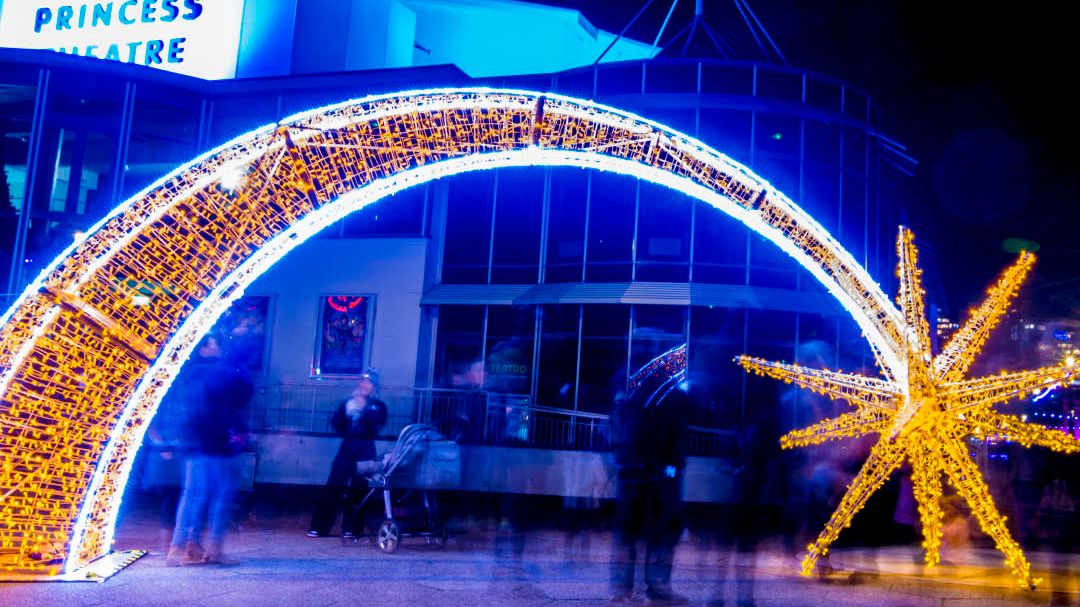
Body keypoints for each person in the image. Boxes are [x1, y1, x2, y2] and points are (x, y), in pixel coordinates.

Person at [166, 333, 255, 566]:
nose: (218, 349)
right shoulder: (218, 373)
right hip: (214, 442)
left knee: (193, 494)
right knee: (220, 495)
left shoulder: (188, 373)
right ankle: (207, 548)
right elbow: (244, 391)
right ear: (203, 349)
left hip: (193, 441)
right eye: (215, 345)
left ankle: (182, 546)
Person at [609, 372, 690, 605]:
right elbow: (677, 439)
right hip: (656, 475)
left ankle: (624, 588)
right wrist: (672, 469)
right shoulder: (670, 398)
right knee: (656, 533)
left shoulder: (630, 397)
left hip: (636, 473)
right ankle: (654, 586)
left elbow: (621, 434)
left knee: (629, 533)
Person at [307, 369, 388, 538]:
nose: (365, 385)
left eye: (369, 382)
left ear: (374, 387)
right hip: (347, 446)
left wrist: (363, 409)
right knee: (333, 485)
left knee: (359, 488)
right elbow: (337, 424)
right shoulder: (347, 403)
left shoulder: (378, 406)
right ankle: (319, 527)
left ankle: (352, 528)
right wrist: (348, 414)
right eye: (363, 381)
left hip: (366, 448)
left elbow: (375, 427)